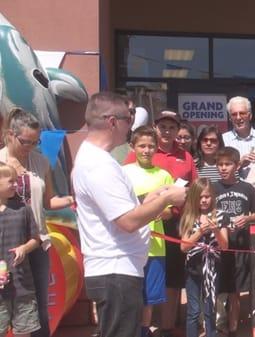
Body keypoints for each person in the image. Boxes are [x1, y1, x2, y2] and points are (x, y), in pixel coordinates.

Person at [72, 92, 186, 337]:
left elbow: (124, 208)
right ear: (112, 121)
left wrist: (155, 195)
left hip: (118, 270)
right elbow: (129, 221)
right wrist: (166, 198)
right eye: (129, 117)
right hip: (115, 272)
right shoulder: (99, 165)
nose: (131, 125)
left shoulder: (99, 160)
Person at [1, 107, 75, 337]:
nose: (31, 147)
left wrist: (74, 198)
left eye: (36, 142)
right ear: (11, 134)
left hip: (36, 242)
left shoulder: (41, 162)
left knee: (38, 305)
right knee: (3, 306)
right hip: (5, 245)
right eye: (26, 142)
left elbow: (48, 201)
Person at [124, 109, 197, 336]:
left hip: (172, 226)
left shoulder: (184, 156)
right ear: (156, 129)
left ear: (177, 130)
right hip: (134, 232)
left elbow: (193, 191)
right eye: (163, 127)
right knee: (135, 285)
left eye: (172, 127)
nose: (167, 131)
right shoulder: (128, 164)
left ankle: (166, 327)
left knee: (171, 279)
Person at [122, 126, 174, 337]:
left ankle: (144, 331)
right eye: (142, 146)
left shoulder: (164, 176)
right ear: (133, 147)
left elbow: (170, 211)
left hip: (155, 247)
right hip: (128, 246)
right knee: (129, 295)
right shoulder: (123, 172)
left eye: (151, 146)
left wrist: (163, 213)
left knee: (149, 298)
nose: (147, 150)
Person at [213, 147, 255, 336]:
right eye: (220, 164)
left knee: (236, 290)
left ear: (237, 165)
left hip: (240, 247)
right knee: (217, 288)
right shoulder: (212, 187)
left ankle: (233, 328)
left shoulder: (247, 188)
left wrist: (246, 219)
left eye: (228, 164)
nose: (223, 168)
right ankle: (218, 323)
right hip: (217, 246)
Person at [180, 178, 229, 337]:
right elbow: (184, 247)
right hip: (193, 269)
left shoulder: (221, 216)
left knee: (210, 309)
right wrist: (200, 232)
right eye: (200, 197)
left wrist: (215, 231)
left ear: (213, 197)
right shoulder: (189, 216)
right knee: (193, 311)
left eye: (207, 196)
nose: (204, 200)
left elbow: (225, 245)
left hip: (212, 269)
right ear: (194, 198)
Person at [0, 162, 41, 337]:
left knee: (24, 331)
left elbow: (36, 239)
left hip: (22, 284)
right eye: (11, 181)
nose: (16, 185)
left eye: (16, 181)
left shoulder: (22, 209)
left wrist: (24, 248)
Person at [222, 96, 255, 170]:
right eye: (234, 114)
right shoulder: (223, 140)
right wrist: (240, 164)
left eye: (242, 113)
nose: (238, 117)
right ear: (230, 118)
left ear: (250, 116)